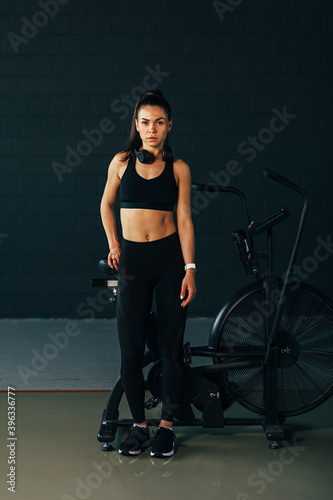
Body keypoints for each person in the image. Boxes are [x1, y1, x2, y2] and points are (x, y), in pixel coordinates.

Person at [100, 89, 196, 458]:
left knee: (171, 350)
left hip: (170, 260)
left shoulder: (179, 168)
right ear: (136, 126)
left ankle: (167, 429)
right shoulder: (121, 162)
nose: (151, 129)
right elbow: (106, 204)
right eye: (145, 122)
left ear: (169, 126)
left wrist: (190, 269)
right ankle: (140, 426)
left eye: (159, 122)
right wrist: (114, 244)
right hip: (133, 263)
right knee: (130, 351)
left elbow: (185, 219)